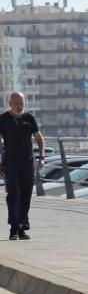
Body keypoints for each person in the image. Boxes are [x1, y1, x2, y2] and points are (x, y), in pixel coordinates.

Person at [0, 92, 44, 241]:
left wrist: (41, 157)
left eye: (22, 103)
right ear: (10, 103)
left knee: (26, 195)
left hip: (27, 161)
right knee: (13, 195)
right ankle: (13, 228)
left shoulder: (29, 118)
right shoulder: (3, 119)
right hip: (10, 162)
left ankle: (22, 228)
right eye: (16, 103)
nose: (19, 106)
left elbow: (39, 138)